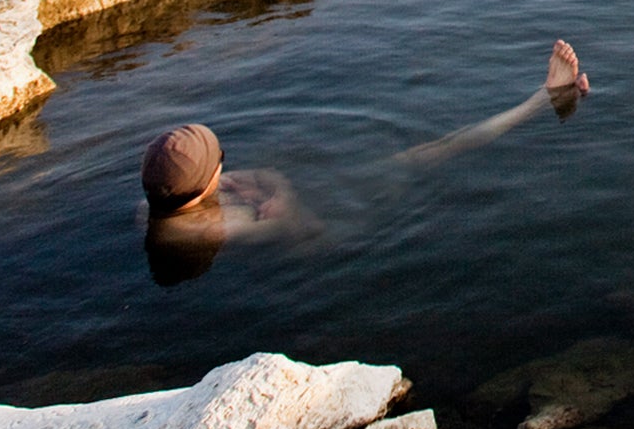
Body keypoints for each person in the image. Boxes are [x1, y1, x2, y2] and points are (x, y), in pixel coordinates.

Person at [140, 39, 589, 284]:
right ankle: (540, 101)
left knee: (423, 153)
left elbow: (262, 187)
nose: (226, 167)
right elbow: (291, 220)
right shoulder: (218, 228)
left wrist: (266, 189)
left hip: (319, 204)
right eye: (220, 160)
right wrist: (276, 192)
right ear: (203, 179)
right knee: (428, 155)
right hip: (339, 234)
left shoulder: (156, 204)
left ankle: (543, 98)